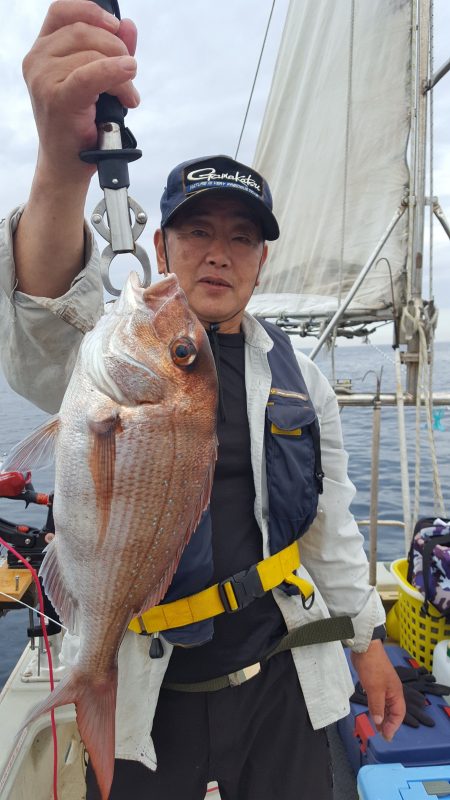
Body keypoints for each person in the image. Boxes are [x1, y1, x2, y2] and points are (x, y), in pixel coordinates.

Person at [0, 3, 405, 799]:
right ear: (161, 246)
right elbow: (44, 309)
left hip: (285, 670)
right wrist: (60, 165)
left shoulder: (302, 376)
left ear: (259, 259)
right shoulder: (117, 346)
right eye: (197, 232)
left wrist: (366, 640)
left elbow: (330, 523)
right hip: (151, 682)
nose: (218, 253)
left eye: (242, 237)